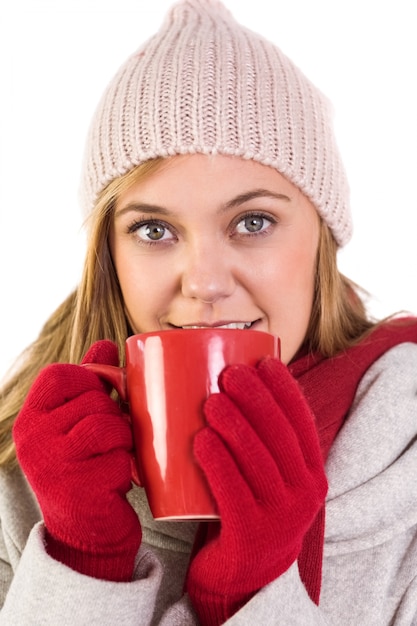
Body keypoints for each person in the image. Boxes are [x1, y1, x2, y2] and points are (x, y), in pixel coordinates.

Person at [1, 0, 417, 623]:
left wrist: (252, 593)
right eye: (153, 230)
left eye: (253, 221)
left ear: (322, 239)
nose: (203, 282)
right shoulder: (24, 469)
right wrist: (82, 562)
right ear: (109, 254)